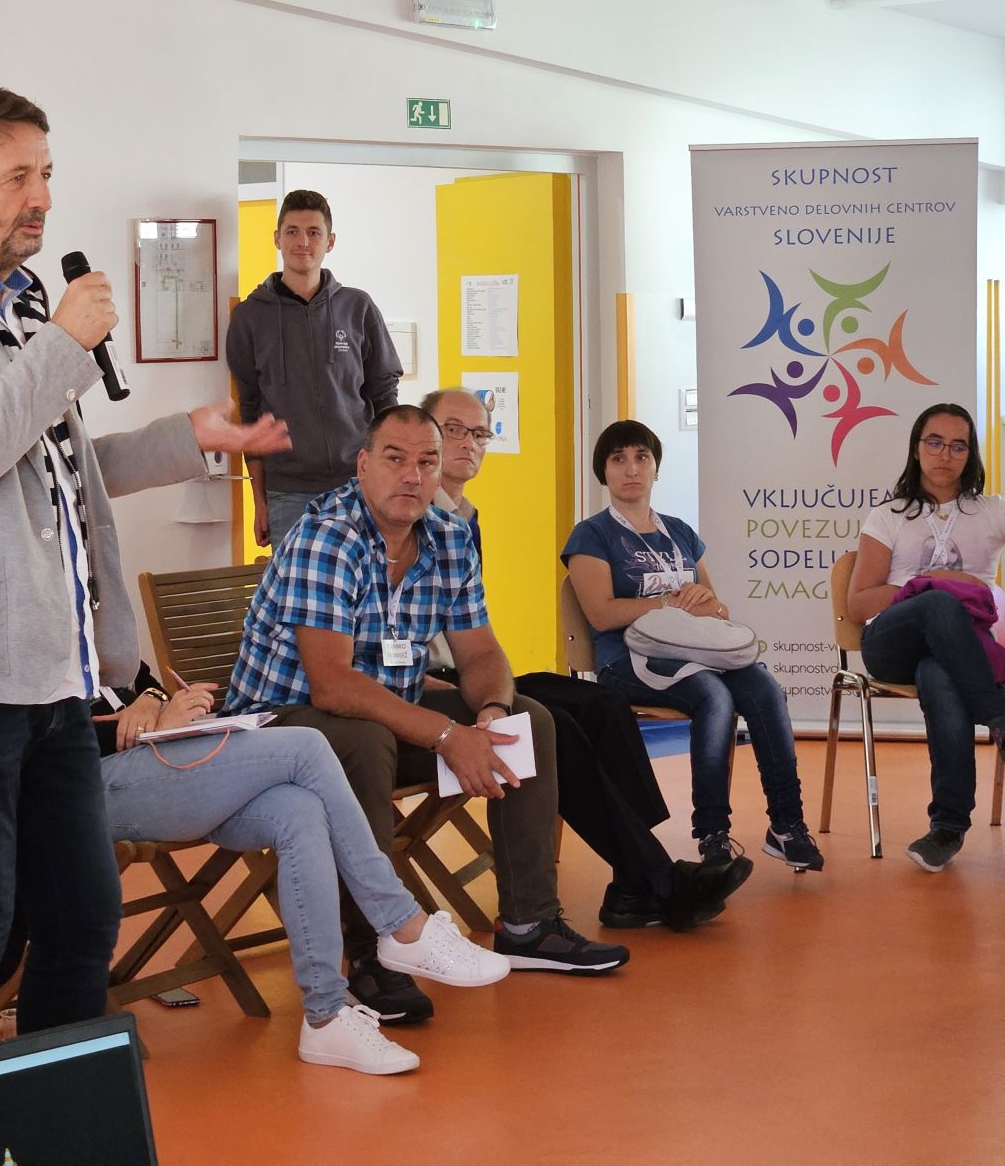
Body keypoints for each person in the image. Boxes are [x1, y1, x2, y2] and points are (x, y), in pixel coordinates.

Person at [0, 84, 291, 1061]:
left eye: (46, 173)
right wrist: (60, 346)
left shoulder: (16, 307)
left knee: (85, 919)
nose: (41, 196)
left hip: (51, 674)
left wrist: (187, 438)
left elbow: (58, 467)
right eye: (16, 176)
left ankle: (50, 1119)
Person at [226, 403, 632, 1025]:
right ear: (364, 464)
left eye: (427, 462)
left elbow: (481, 653)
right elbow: (332, 685)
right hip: (278, 725)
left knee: (528, 721)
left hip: (383, 713)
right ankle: (372, 952)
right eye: (395, 459)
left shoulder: (448, 537)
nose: (411, 476)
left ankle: (529, 925)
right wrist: (447, 736)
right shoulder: (326, 536)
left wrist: (490, 712)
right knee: (363, 742)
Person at [421, 388, 752, 928]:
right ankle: (655, 880)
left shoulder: (463, 518)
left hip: (463, 675)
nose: (467, 443)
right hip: (425, 684)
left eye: (479, 433)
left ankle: (632, 882)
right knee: (550, 725)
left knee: (601, 705)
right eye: (452, 430)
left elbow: (471, 634)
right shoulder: (407, 514)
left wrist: (486, 683)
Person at [94, 663, 508, 1076]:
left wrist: (155, 699)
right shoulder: (58, 635)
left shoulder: (94, 629)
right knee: (307, 746)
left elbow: (136, 675)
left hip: (159, 761)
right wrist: (134, 727)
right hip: (98, 779)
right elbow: (62, 729)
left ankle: (325, 1014)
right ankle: (401, 922)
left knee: (300, 810)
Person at [563, 419, 823, 874]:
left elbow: (716, 609)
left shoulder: (680, 532)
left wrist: (708, 603)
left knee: (765, 688)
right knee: (712, 696)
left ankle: (786, 826)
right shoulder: (592, 535)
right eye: (618, 459)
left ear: (656, 468)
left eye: (642, 457)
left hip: (694, 652)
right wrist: (666, 601)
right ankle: (712, 833)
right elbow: (601, 615)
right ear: (603, 471)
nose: (631, 469)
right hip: (627, 660)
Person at [849, 402, 1005, 873]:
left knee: (939, 676)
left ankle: (947, 828)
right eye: (934, 442)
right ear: (917, 449)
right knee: (938, 602)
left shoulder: (991, 511)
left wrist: (970, 588)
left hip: (961, 650)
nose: (945, 454)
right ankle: (997, 715)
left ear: (970, 455)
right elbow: (858, 604)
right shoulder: (889, 515)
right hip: (892, 641)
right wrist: (929, 583)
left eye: (958, 446)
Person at [226, 189, 401, 550]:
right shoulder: (250, 317)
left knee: (368, 582)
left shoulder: (358, 308)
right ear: (277, 238)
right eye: (292, 231)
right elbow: (249, 412)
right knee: (296, 588)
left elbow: (385, 399)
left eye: (313, 232)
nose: (302, 242)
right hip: (287, 494)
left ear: (330, 242)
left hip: (360, 486)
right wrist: (259, 500)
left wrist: (389, 475)